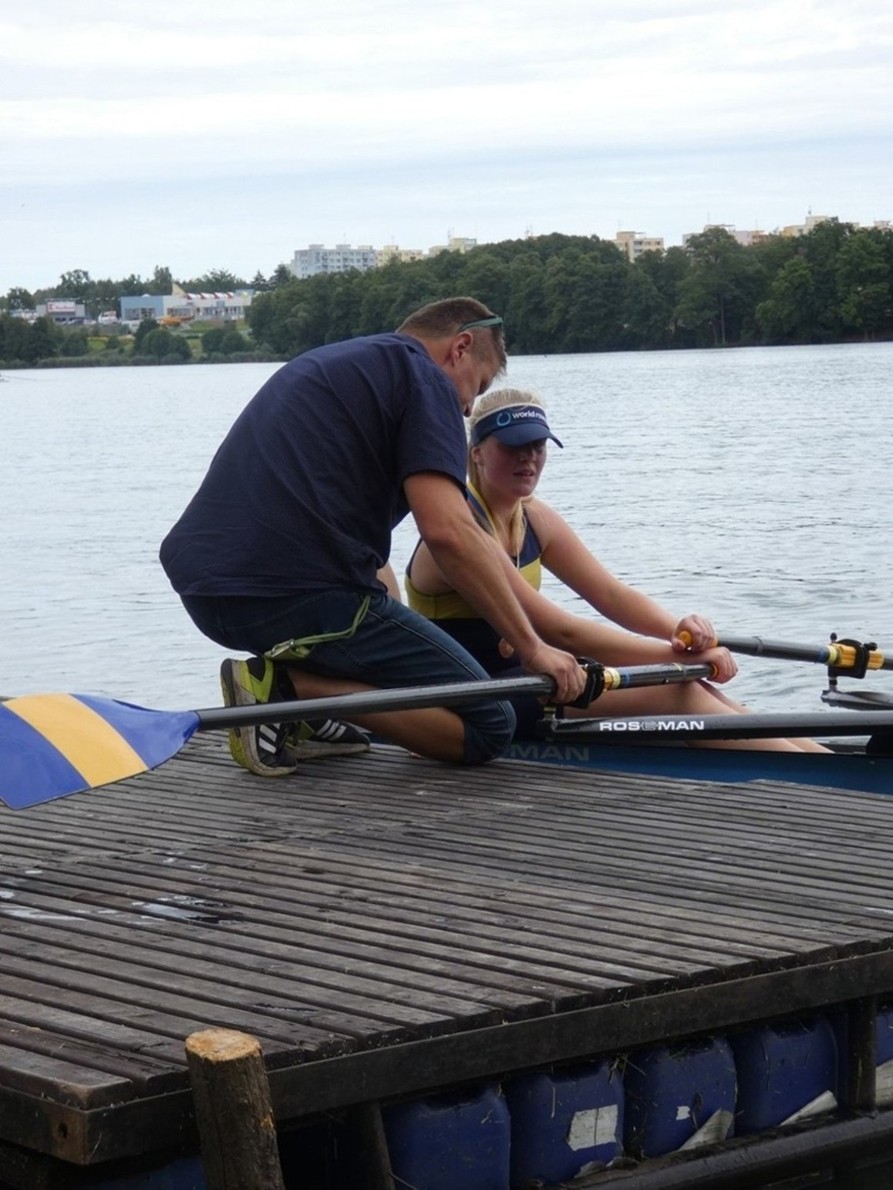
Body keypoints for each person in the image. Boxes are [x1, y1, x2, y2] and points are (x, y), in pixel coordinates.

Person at [160, 300, 586, 777]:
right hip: (296, 595)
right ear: (460, 348)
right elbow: (449, 533)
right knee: (490, 722)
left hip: (207, 591)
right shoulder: (426, 379)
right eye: (479, 386)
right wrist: (532, 647)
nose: (468, 408)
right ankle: (289, 692)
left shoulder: (346, 363)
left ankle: (304, 714)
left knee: (389, 637)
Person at [406, 387, 828, 753]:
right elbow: (560, 632)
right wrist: (678, 659)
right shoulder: (461, 527)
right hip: (473, 697)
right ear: (477, 452)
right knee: (678, 694)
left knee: (693, 684)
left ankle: (827, 761)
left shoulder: (534, 517)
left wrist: (676, 631)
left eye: (537, 446)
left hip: (528, 680)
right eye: (513, 447)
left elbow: (612, 595)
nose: (528, 459)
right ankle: (817, 778)